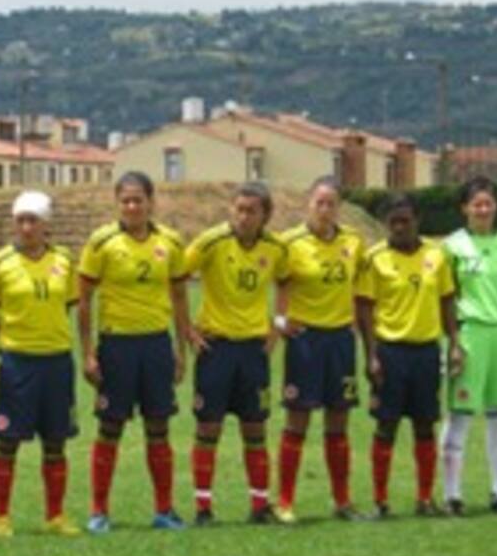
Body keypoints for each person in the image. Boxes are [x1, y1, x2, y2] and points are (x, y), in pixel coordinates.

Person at [77, 171, 190, 533]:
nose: (132, 206)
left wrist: (179, 348)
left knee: (158, 427)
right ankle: (99, 511)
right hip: (117, 345)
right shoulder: (101, 242)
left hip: (156, 343)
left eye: (138, 199)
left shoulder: (170, 242)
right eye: (125, 200)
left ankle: (164, 510)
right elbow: (84, 300)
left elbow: (179, 296)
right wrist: (88, 352)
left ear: (150, 201)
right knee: (110, 428)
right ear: (117, 203)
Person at [184, 182, 289, 525]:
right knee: (208, 428)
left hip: (254, 351)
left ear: (265, 216)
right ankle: (203, 509)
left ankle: (259, 507)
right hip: (216, 348)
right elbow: (176, 278)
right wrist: (187, 328)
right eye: (239, 209)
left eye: (252, 211)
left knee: (255, 429)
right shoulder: (211, 242)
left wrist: (278, 324)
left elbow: (286, 282)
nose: (243, 217)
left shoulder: (275, 248)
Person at [0, 190, 81, 538]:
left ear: (46, 223)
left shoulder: (64, 261)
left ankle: (55, 515)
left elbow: (67, 304)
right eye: (20, 220)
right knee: (7, 441)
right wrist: (6, 337)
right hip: (17, 364)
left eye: (33, 220)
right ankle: (1, 516)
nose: (26, 227)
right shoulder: (0, 263)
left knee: (56, 441)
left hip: (56, 361)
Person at [356, 193, 462, 517]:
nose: (400, 227)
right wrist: (371, 354)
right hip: (390, 352)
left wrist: (454, 342)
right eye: (393, 222)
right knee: (386, 426)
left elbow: (447, 302)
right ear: (386, 223)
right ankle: (380, 501)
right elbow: (364, 310)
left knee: (424, 425)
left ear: (417, 220)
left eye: (406, 220)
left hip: (427, 352)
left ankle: (425, 499)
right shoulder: (375, 259)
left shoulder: (436, 255)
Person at [274, 177, 367, 523]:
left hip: (341, 340)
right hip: (305, 342)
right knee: (297, 419)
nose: (325, 210)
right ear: (308, 204)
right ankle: (284, 502)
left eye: (332, 204)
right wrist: (280, 323)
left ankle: (342, 501)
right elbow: (276, 286)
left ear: (339, 207)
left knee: (338, 420)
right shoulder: (289, 244)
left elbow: (360, 285)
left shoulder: (353, 242)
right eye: (319, 203)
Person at [441, 176, 497, 514]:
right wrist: (452, 342)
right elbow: (446, 299)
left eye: (488, 203)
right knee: (460, 414)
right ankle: (452, 494)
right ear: (464, 208)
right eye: (476, 203)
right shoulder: (452, 246)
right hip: (470, 336)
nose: (483, 209)